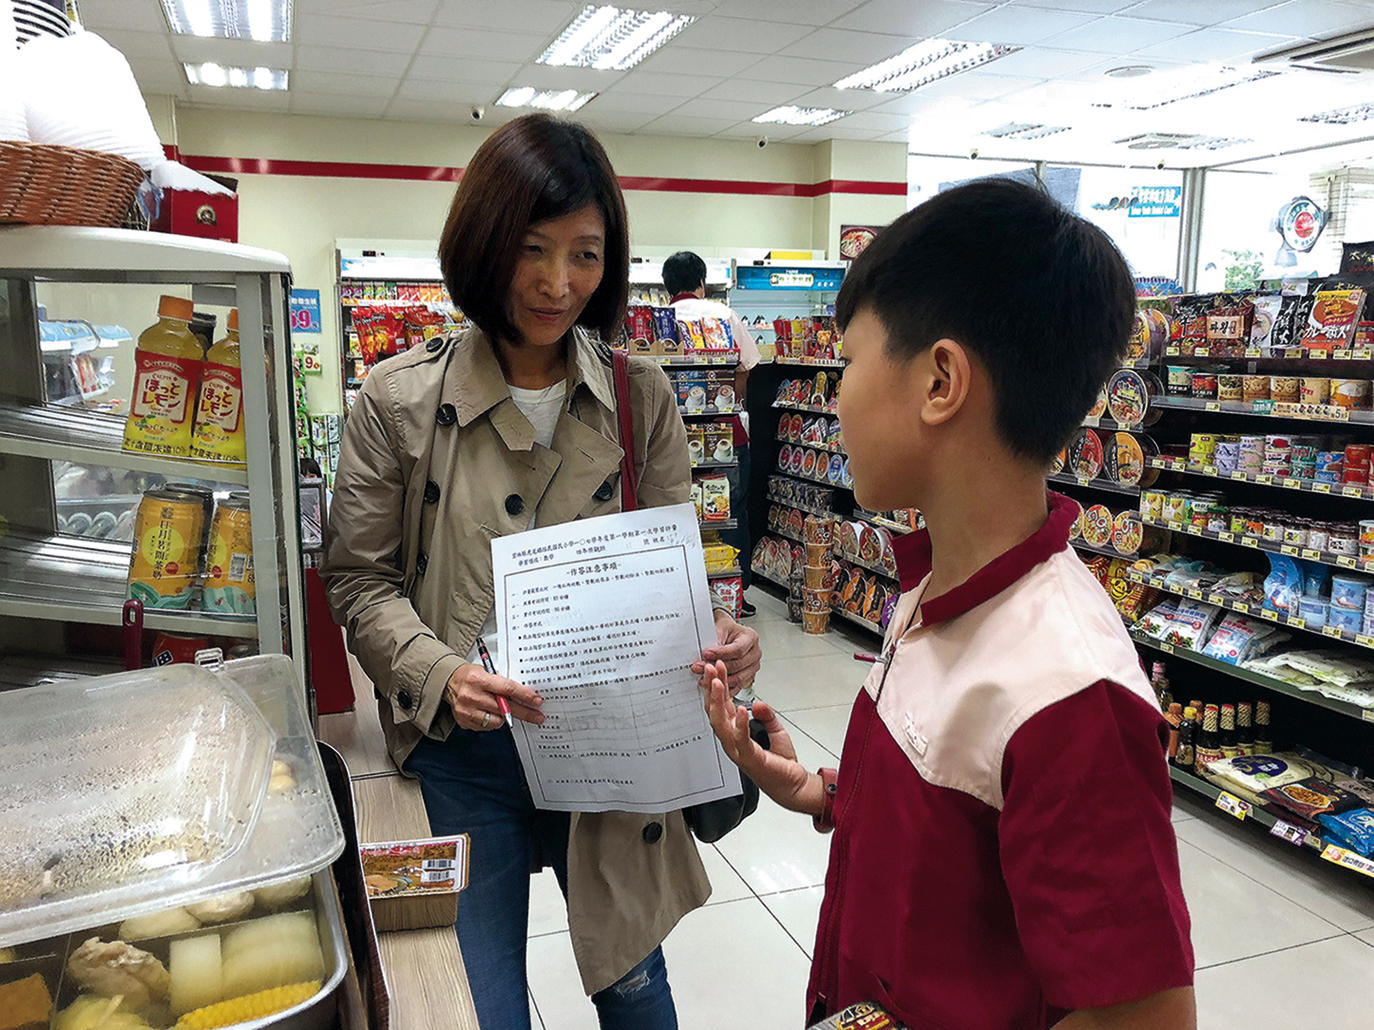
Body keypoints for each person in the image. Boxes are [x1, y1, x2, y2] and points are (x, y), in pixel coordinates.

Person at [701, 179, 1196, 1030]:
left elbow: (1144, 1018)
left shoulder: (1072, 697)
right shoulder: (938, 588)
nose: (834, 397)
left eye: (848, 363)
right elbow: (957, 833)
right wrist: (821, 793)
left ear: (940, 382)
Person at [321, 113, 762, 1030]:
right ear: (484, 242)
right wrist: (438, 672)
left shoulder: (641, 397)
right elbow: (359, 579)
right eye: (532, 248)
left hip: (609, 747)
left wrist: (715, 639)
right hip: (466, 750)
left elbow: (668, 576)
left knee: (638, 992)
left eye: (585, 255)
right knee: (480, 1005)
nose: (558, 283)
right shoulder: (398, 401)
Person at [662, 251, 761, 620]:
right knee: (730, 513)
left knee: (673, 515)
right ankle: (734, 595)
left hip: (669, 438)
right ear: (702, 283)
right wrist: (728, 400)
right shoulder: (724, 314)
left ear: (667, 286)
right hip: (725, 433)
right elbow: (747, 365)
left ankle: (678, 598)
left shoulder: (660, 320)